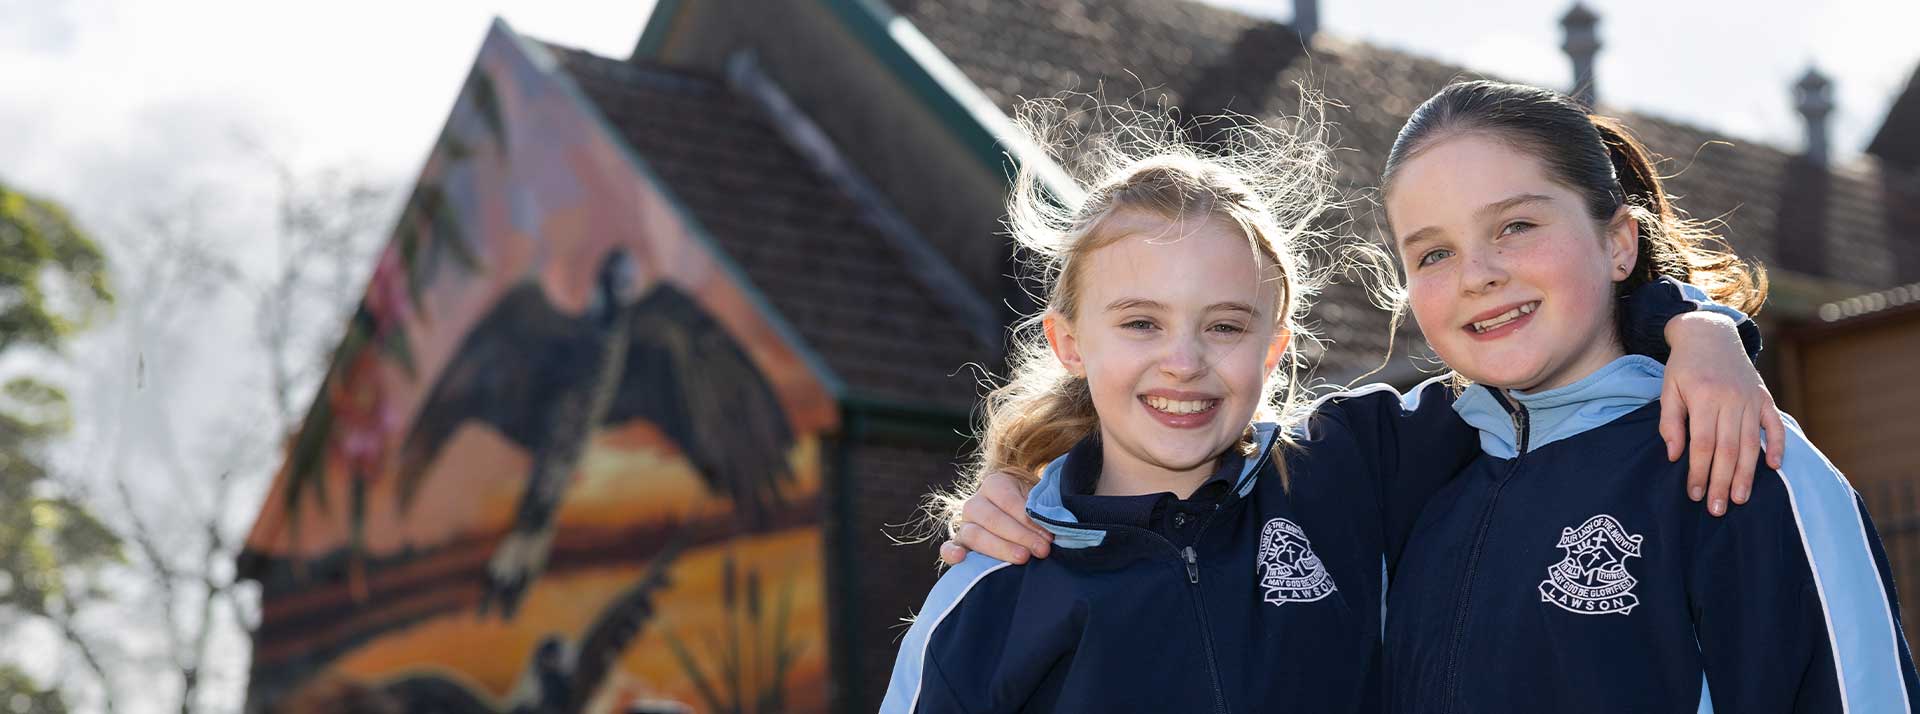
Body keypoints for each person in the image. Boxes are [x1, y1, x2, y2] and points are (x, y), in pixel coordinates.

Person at [883, 98, 1770, 713]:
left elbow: (1541, 355)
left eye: (1226, 326)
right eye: (1142, 323)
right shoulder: (996, 588)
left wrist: (1690, 326)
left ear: (1276, 349)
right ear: (1071, 343)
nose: (1183, 363)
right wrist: (1017, 498)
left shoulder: (1349, 469)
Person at [1376, 79, 1917, 712]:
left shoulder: (1743, 455)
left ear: (1618, 243)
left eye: (1516, 225)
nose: (1478, 274)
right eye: (1435, 252)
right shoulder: (1407, 488)